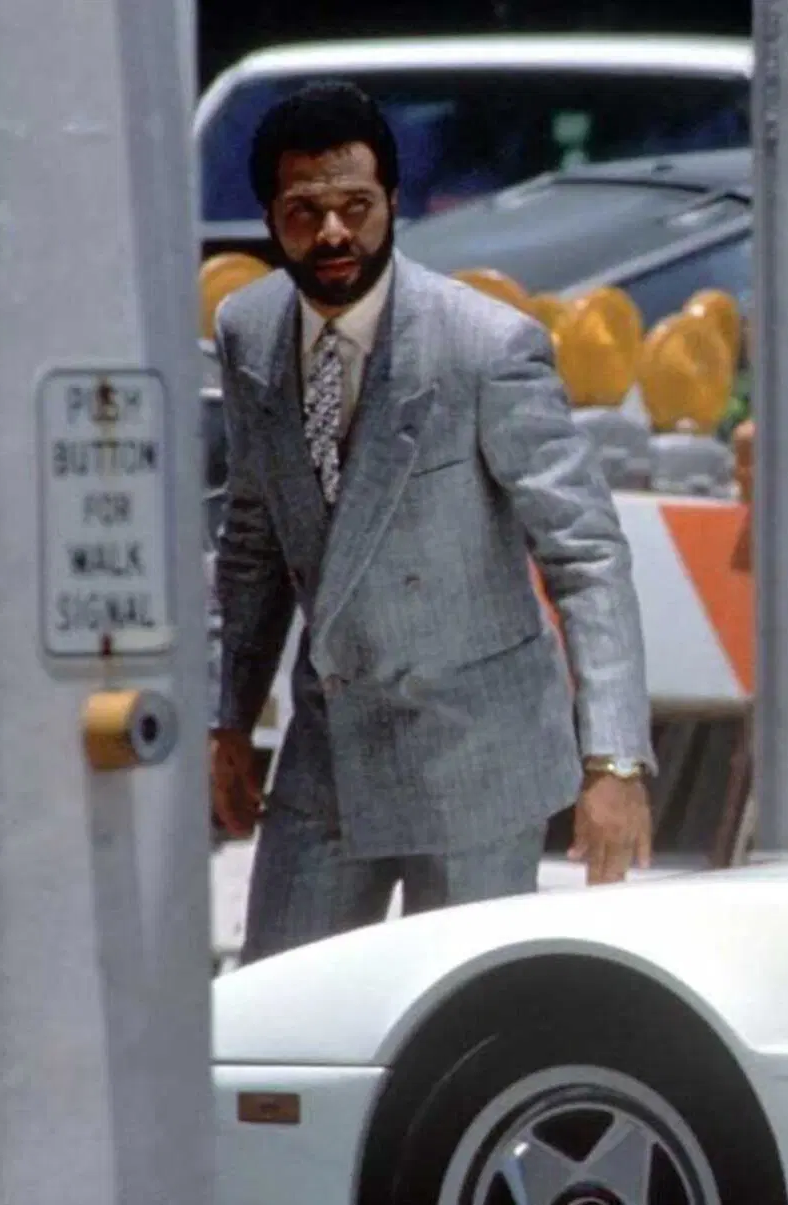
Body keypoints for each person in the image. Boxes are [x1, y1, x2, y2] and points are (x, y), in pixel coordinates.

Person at [210, 82, 657, 965]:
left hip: (476, 757)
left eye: (355, 206)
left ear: (393, 204)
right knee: (280, 1012)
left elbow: (586, 554)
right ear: (270, 216)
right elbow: (253, 539)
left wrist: (614, 762)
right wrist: (228, 719)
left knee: (455, 1025)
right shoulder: (247, 330)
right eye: (305, 212)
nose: (333, 233)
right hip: (328, 744)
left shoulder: (484, 346)